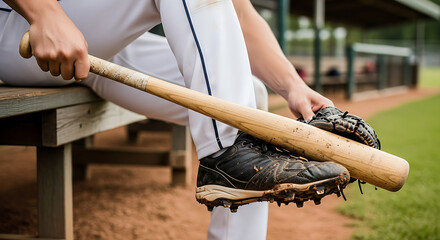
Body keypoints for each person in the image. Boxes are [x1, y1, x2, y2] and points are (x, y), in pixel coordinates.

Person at [0, 0, 350, 239]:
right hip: (22, 28)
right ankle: (226, 156)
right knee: (234, 135)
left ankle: (230, 167)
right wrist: (44, 13)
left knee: (250, 98)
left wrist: (293, 87)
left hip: (94, 39)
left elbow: (238, 13)